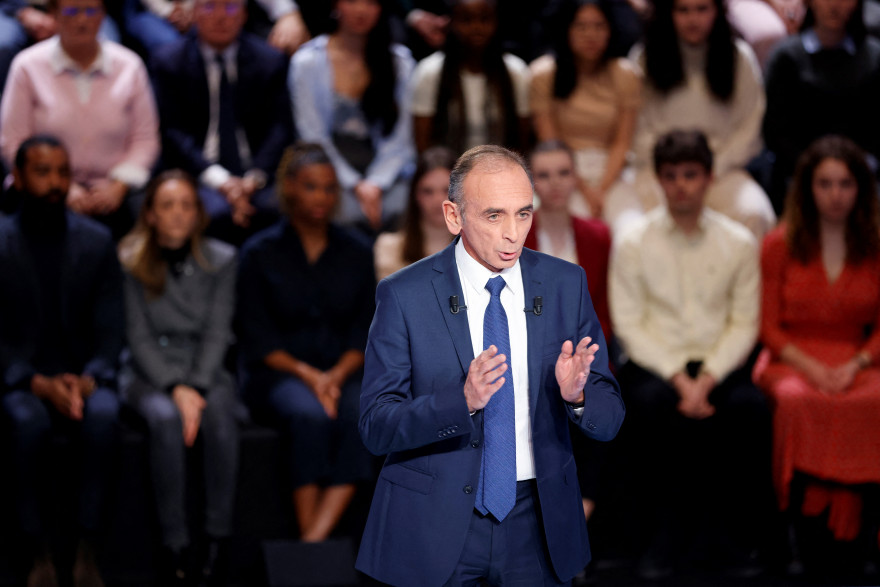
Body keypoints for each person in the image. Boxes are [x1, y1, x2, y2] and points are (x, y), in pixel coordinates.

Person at [356, 144, 625, 586]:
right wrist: (460, 401)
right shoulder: (404, 295)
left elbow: (609, 417)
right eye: (494, 216)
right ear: (454, 216)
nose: (513, 234)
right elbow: (376, 426)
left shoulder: (565, 284)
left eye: (523, 214)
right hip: (434, 524)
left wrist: (577, 396)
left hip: (537, 525)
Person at [609, 130, 770, 579]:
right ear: (659, 180)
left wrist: (709, 377)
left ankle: (731, 539)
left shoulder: (738, 241)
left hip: (719, 363)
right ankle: (660, 539)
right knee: (649, 405)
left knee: (749, 408)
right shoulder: (634, 241)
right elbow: (629, 325)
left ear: (709, 178)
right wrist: (681, 380)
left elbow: (744, 323)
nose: (681, 185)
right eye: (672, 175)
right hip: (656, 364)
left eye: (691, 175)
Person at [237, 143, 376, 543]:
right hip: (278, 372)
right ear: (290, 188)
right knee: (308, 416)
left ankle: (311, 544)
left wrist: (334, 376)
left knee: (361, 414)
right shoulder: (259, 253)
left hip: (345, 371)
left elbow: (364, 329)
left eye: (330, 189)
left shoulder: (356, 250)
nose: (322, 197)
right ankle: (313, 548)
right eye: (311, 186)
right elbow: (257, 336)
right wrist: (312, 377)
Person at [0, 135, 123, 587]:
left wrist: (91, 377)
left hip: (82, 374)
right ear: (17, 178)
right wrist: (32, 381)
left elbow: (112, 324)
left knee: (105, 417)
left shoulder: (96, 240)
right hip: (19, 378)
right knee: (25, 423)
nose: (55, 182)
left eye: (62, 172)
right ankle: (37, 551)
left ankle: (87, 548)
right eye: (43, 172)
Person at [754, 135, 880, 556]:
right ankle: (794, 524)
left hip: (857, 358)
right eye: (825, 184)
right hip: (791, 356)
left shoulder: (876, 244)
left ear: (861, 188)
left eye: (845, 184)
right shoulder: (779, 243)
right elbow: (768, 327)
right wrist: (811, 368)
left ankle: (862, 529)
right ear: (807, 188)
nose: (835, 195)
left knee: (873, 400)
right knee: (795, 400)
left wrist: (856, 363)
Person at [118, 170, 239, 586]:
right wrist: (175, 387)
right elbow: (137, 336)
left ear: (199, 214)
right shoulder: (129, 260)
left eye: (187, 205)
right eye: (168, 205)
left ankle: (217, 539)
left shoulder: (222, 259)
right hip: (149, 370)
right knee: (165, 419)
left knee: (221, 418)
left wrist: (196, 386)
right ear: (150, 214)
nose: (178, 213)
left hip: (205, 366)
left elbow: (218, 330)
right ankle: (174, 544)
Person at [0, 0, 159, 240]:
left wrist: (118, 185)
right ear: (54, 14)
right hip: (44, 188)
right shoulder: (27, 66)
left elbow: (145, 139)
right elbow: (12, 141)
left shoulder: (130, 65)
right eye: (72, 11)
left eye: (91, 10)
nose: (82, 19)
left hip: (115, 191)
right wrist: (63, 185)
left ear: (103, 14)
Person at [626, 0, 776, 240]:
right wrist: (671, 171)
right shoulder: (644, 56)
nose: (693, 19)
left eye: (702, 9)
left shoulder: (738, 56)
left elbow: (751, 127)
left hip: (720, 170)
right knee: (634, 222)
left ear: (717, 11)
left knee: (754, 213)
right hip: (657, 172)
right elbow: (636, 127)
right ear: (669, 13)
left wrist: (711, 168)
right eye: (683, 10)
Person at [151, 0, 293, 245]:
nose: (220, 16)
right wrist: (221, 182)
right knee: (212, 212)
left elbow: (279, 129)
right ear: (194, 13)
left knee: (279, 207)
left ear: (244, 14)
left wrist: (253, 179)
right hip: (198, 171)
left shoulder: (270, 60)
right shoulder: (169, 61)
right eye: (209, 7)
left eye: (230, 7)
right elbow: (172, 133)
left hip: (258, 172)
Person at [289, 0, 415, 234]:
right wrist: (355, 184)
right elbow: (312, 135)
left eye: (371, 2)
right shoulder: (307, 62)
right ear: (335, 4)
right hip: (329, 164)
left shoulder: (400, 61)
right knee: (342, 213)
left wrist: (376, 183)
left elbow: (402, 136)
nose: (361, 10)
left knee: (406, 206)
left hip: (386, 165)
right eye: (352, 0)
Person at [530, 0, 641, 223]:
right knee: (566, 228)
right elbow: (551, 144)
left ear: (610, 30)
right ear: (567, 30)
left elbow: (622, 143)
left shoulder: (626, 74)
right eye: (581, 27)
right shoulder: (544, 75)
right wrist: (585, 191)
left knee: (630, 227)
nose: (591, 35)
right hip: (561, 174)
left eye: (599, 26)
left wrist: (601, 190)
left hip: (612, 172)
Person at [763, 0, 880, 208]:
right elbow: (775, 130)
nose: (834, 5)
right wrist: (814, 170)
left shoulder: (873, 58)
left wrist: (858, 169)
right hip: (799, 174)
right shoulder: (786, 58)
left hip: (862, 175)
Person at [410, 0, 531, 155]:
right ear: (451, 23)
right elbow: (423, 144)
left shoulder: (515, 71)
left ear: (497, 22)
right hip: (447, 166)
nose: (476, 27)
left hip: (501, 164)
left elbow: (522, 141)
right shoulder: (430, 71)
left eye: (484, 19)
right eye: (466, 20)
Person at [373, 145, 455, 280]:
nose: (438, 200)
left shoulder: (480, 249)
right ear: (415, 195)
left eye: (447, 190)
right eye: (428, 191)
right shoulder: (389, 249)